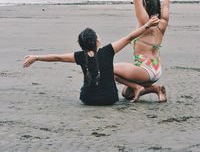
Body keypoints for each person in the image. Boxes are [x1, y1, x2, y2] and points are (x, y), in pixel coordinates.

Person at [23, 16, 159, 106]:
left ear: (81, 45)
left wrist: (37, 57)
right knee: (110, 71)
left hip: (87, 99)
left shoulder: (80, 56)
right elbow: (129, 37)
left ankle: (136, 88)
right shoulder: (108, 50)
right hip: (109, 100)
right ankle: (137, 87)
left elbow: (58, 57)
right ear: (97, 41)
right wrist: (147, 25)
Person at [114, 0, 183, 102]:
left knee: (106, 68)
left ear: (146, 8)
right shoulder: (162, 22)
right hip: (156, 71)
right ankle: (156, 89)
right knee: (126, 94)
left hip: (145, 71)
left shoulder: (144, 22)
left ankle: (138, 87)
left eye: (142, 5)